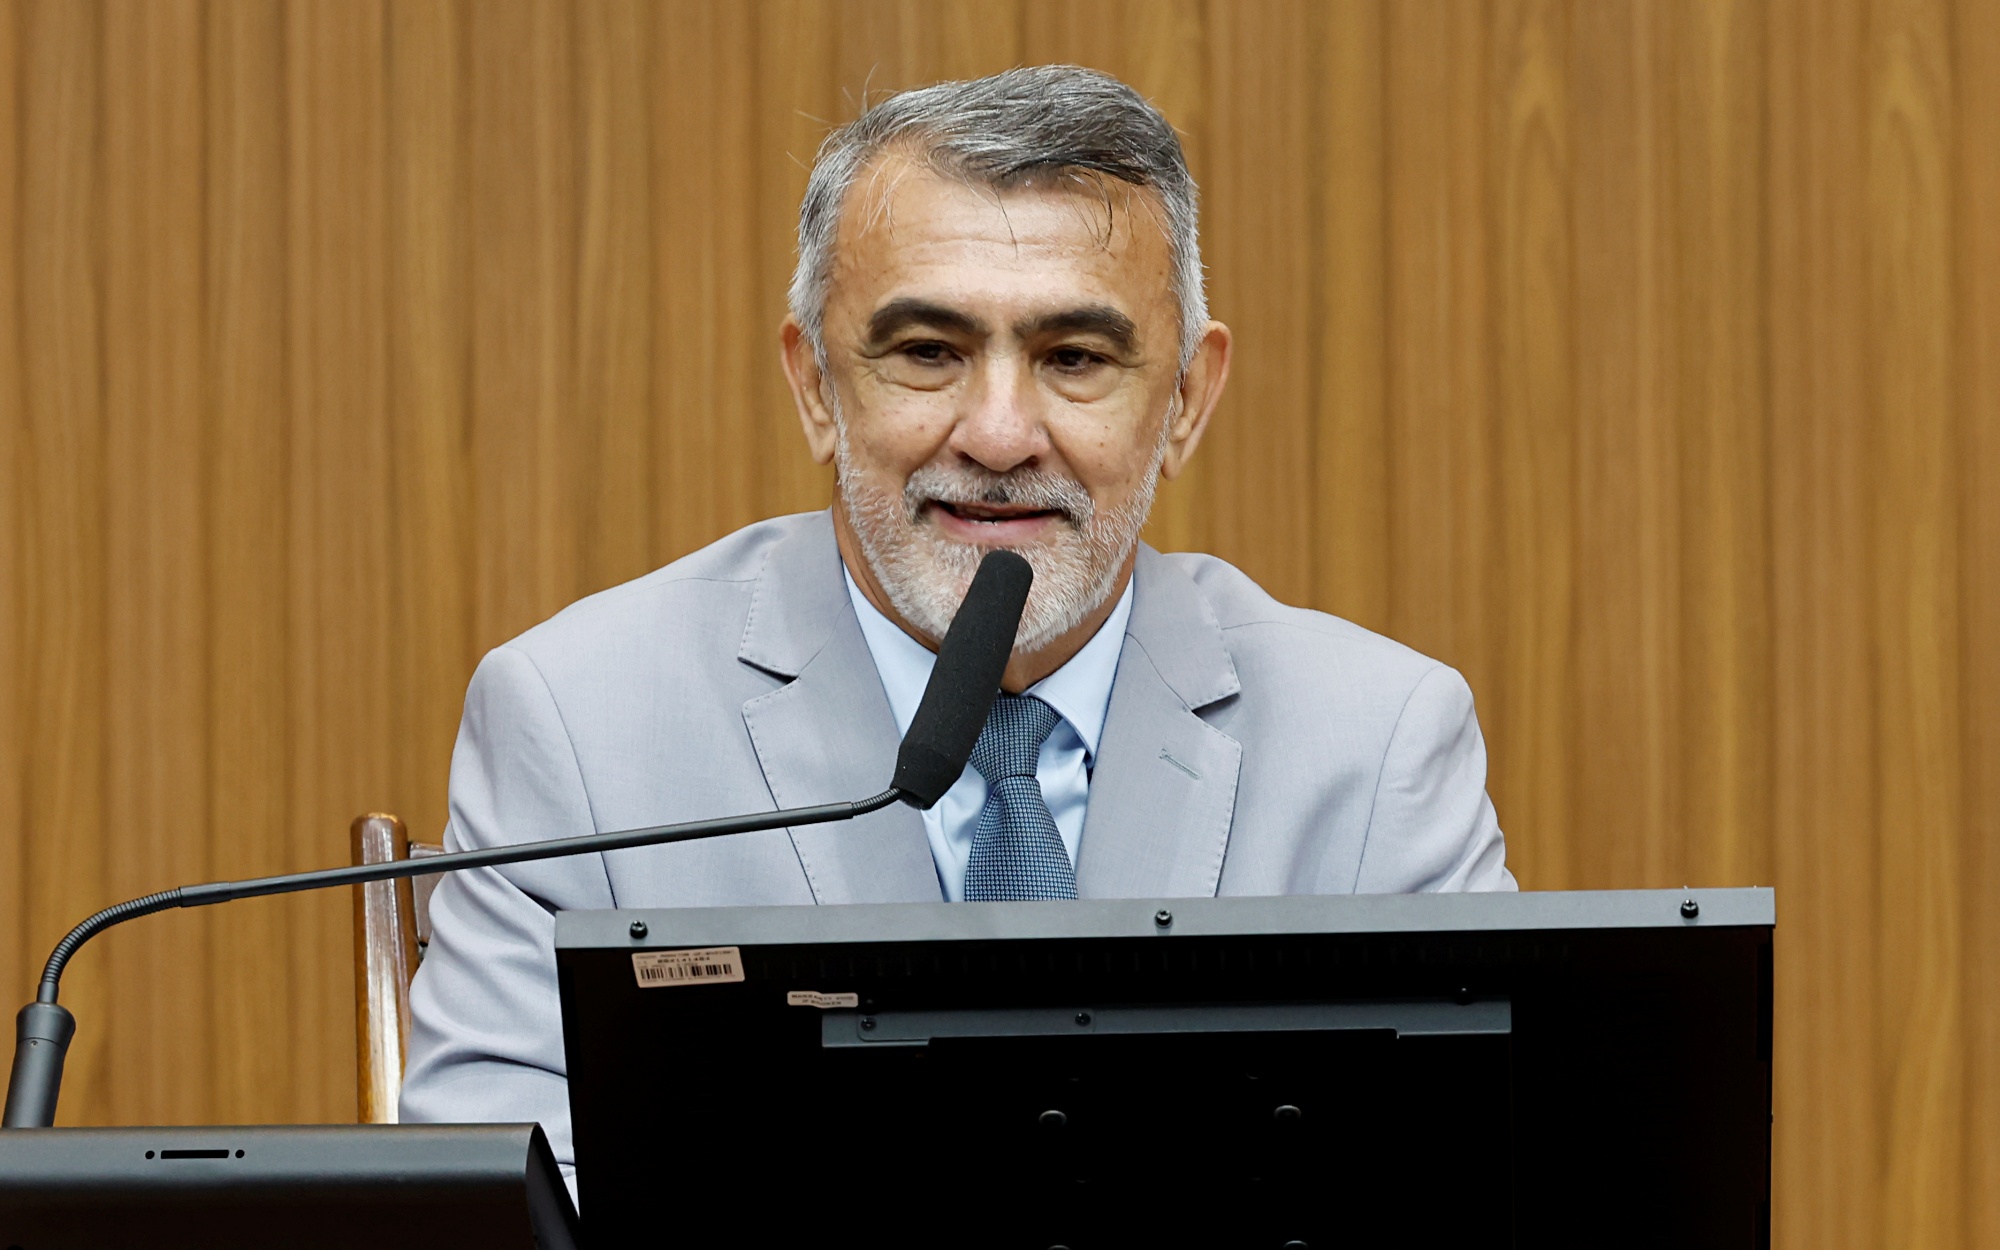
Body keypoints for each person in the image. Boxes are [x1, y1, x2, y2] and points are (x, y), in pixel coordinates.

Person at [401, 64, 1515, 1190]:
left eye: (1074, 359)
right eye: (928, 352)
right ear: (816, 386)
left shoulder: (1375, 744)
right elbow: (504, 1204)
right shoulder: (577, 724)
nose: (996, 434)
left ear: (1185, 399)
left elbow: (1479, 1185)